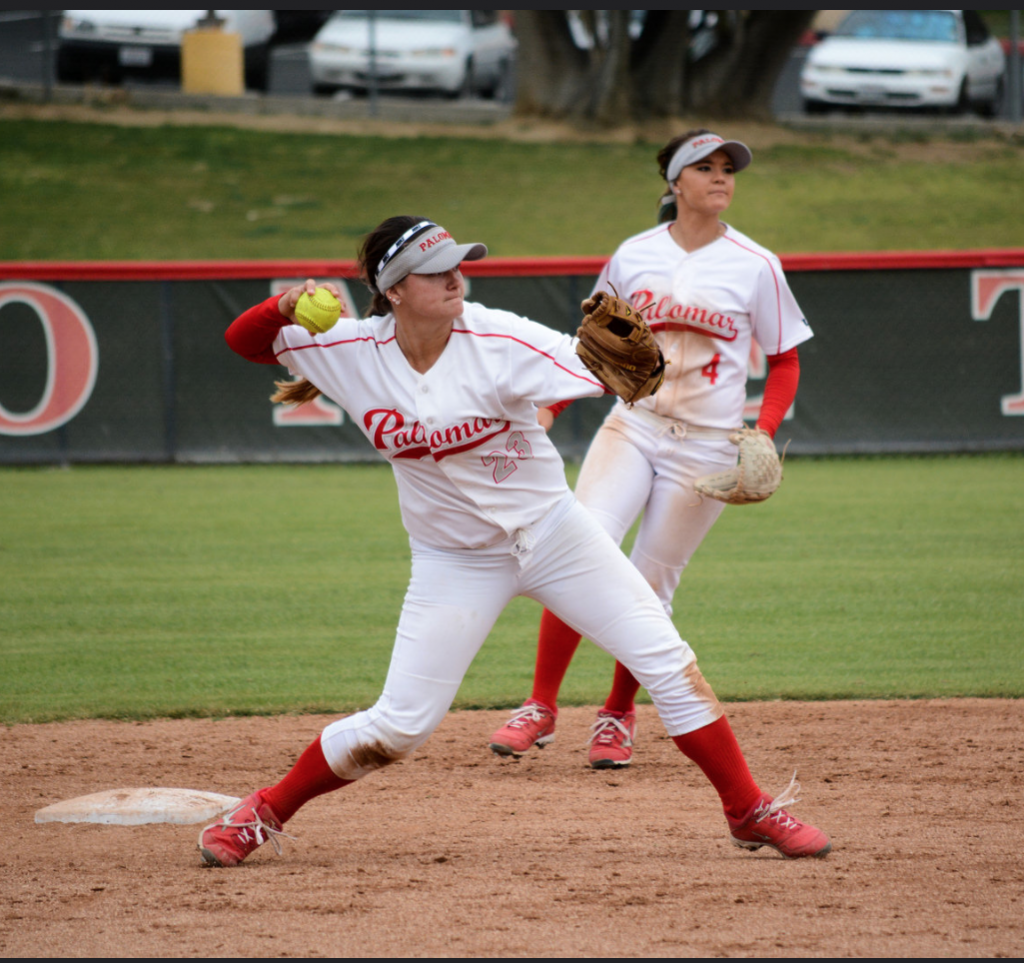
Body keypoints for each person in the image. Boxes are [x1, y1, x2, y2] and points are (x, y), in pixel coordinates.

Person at [201, 214, 830, 867]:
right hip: (454, 561)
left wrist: (640, 368)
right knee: (400, 725)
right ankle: (263, 810)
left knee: (670, 663)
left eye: (458, 263)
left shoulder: (501, 337)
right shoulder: (352, 349)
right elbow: (244, 341)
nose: (455, 278)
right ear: (394, 290)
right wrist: (282, 304)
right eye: (434, 270)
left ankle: (748, 809)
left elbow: (604, 370)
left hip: (555, 534)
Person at [489, 129, 813, 770]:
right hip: (632, 425)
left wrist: (765, 431)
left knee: (650, 583)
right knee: (577, 548)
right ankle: (541, 706)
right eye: (706, 167)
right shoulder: (634, 255)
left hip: (709, 447)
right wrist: (551, 406)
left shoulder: (755, 264)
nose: (721, 177)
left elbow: (785, 362)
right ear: (674, 181)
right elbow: (595, 348)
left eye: (729, 168)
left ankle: (617, 714)